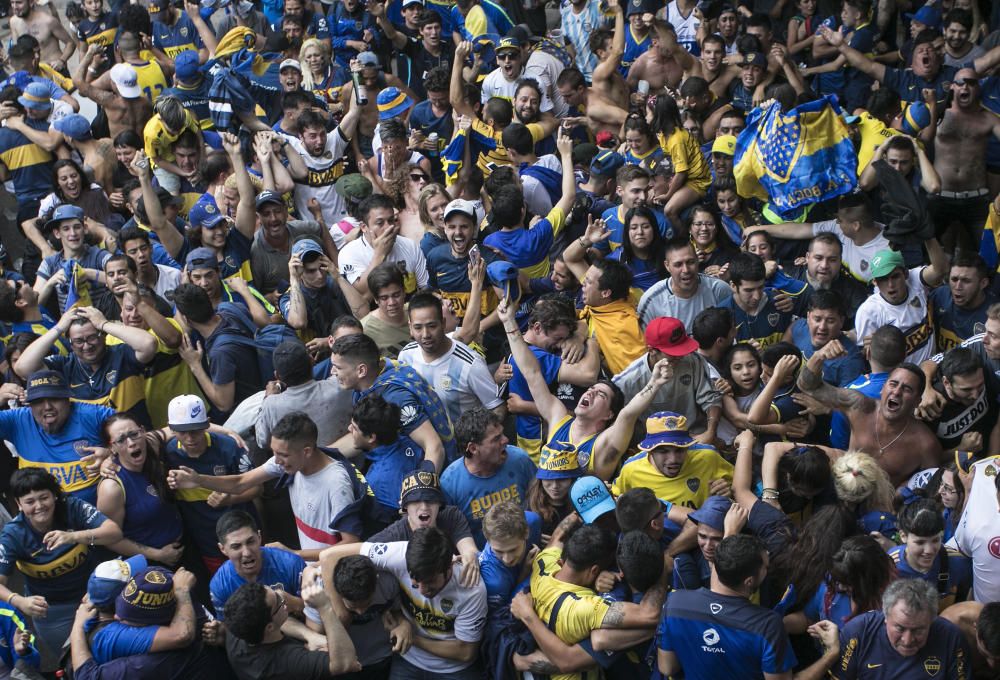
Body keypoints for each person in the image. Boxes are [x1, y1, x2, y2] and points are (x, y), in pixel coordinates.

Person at [500, 293, 671, 481]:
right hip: (545, 504)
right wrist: (509, 322)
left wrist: (654, 384)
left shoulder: (603, 445)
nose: (591, 392)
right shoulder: (558, 420)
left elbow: (628, 414)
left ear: (608, 415)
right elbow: (531, 372)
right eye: (591, 389)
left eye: (601, 395)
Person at [169, 411, 368, 562]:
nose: (277, 461)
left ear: (306, 451)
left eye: (283, 455)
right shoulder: (288, 462)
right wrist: (198, 480)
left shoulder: (336, 483)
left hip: (334, 568)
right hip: (311, 565)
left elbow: (351, 544)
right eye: (275, 453)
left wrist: (295, 554)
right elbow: (240, 482)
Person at [658, 534, 841, 680]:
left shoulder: (674, 604)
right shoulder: (767, 626)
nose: (767, 571)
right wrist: (831, 654)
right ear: (749, 581)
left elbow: (667, 667)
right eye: (765, 568)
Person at [319, 528, 488, 679]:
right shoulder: (398, 554)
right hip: (408, 660)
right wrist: (342, 615)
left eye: (430, 583)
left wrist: (411, 638)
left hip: (453, 668)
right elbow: (329, 556)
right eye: (415, 582)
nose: (422, 590)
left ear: (449, 567)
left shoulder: (471, 589)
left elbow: (465, 651)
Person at [0, 468, 122, 658]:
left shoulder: (70, 506)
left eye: (44, 497)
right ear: (19, 504)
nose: (39, 506)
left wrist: (74, 536)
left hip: (94, 596)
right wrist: (19, 601)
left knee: (114, 652)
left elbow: (114, 532)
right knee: (73, 660)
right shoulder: (13, 534)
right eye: (30, 502)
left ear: (55, 496)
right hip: (54, 611)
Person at [796, 341, 942, 486]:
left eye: (907, 389)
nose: (897, 392)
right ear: (882, 388)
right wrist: (818, 356)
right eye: (893, 384)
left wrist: (900, 494)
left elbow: (931, 487)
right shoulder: (859, 406)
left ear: (917, 401)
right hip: (841, 491)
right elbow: (807, 386)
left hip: (883, 506)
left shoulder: (925, 444)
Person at [15, 304, 158, 427]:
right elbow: (22, 367)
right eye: (78, 341)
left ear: (102, 335)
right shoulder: (64, 366)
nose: (86, 346)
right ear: (70, 343)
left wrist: (103, 323)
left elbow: (149, 344)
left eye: (92, 337)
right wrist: (58, 328)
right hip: (91, 446)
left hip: (133, 439)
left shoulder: (122, 355)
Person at [328, 332, 454, 470]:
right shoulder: (377, 372)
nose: (332, 372)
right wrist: (322, 454)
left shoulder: (396, 398)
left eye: (338, 367)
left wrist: (423, 488)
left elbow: (434, 447)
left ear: (361, 370)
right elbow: (360, 437)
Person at [0, 369, 116, 502]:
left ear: (68, 399)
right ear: (29, 405)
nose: (47, 406)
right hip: (43, 516)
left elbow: (141, 435)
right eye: (38, 401)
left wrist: (112, 455)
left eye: (54, 398)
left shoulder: (92, 415)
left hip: (97, 515)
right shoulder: (18, 421)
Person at [224, 568, 361, 680]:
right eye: (278, 601)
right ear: (269, 627)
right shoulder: (289, 662)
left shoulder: (236, 628)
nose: (281, 595)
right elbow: (347, 663)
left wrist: (309, 635)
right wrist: (325, 607)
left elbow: (277, 622)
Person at [399, 291, 504, 426]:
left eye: (432, 326)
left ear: (443, 323)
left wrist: (476, 440)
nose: (425, 334)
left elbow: (497, 408)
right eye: (418, 327)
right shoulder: (406, 356)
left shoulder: (470, 364)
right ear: (410, 328)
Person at [832, 578, 970, 679]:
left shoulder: (951, 637)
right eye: (899, 628)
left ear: (932, 620)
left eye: (918, 630)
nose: (907, 640)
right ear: (885, 616)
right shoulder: (858, 632)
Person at [439, 407, 536, 548]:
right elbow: (450, 534)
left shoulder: (520, 460)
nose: (506, 440)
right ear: (473, 448)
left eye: (502, 434)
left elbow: (539, 501)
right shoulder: (449, 484)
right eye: (496, 439)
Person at [96, 413, 184, 566]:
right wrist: (158, 555)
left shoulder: (151, 447)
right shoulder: (112, 488)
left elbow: (181, 427)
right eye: (121, 439)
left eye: (134, 434)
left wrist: (228, 432)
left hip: (184, 546)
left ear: (143, 432)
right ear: (112, 447)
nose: (131, 443)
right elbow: (109, 539)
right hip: (151, 564)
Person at [613, 316, 723, 437]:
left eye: (683, 349)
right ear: (652, 350)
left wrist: (710, 432)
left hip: (694, 435)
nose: (680, 356)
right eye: (673, 353)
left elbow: (711, 399)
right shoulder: (628, 380)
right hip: (653, 443)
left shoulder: (693, 359)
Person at [613, 410, 733, 512]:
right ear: (650, 450)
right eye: (664, 451)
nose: (673, 459)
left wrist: (730, 493)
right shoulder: (631, 469)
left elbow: (739, 487)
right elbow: (617, 498)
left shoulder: (708, 457)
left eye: (679, 450)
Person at [855, 245, 948, 365]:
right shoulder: (869, 311)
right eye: (883, 279)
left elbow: (941, 270)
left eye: (895, 277)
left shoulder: (915, 281)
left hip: (933, 368)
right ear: (875, 282)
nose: (890, 285)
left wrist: (929, 239)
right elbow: (864, 358)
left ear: (905, 274)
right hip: (900, 379)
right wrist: (871, 349)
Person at [256, 340, 353, 450]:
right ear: (312, 361)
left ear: (277, 375)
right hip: (349, 463)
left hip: (300, 467)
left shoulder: (271, 405)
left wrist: (267, 397)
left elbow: (262, 441)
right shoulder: (341, 386)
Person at [281, 238, 367, 342]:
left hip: (350, 343)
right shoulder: (290, 295)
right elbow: (299, 322)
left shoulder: (337, 281)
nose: (320, 275)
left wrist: (338, 277)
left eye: (322, 267)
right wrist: (294, 279)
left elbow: (364, 314)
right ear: (300, 271)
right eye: (311, 271)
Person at [636, 237, 733, 329]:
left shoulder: (719, 290)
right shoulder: (651, 300)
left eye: (690, 262)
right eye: (678, 265)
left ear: (697, 260)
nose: (686, 270)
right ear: (667, 266)